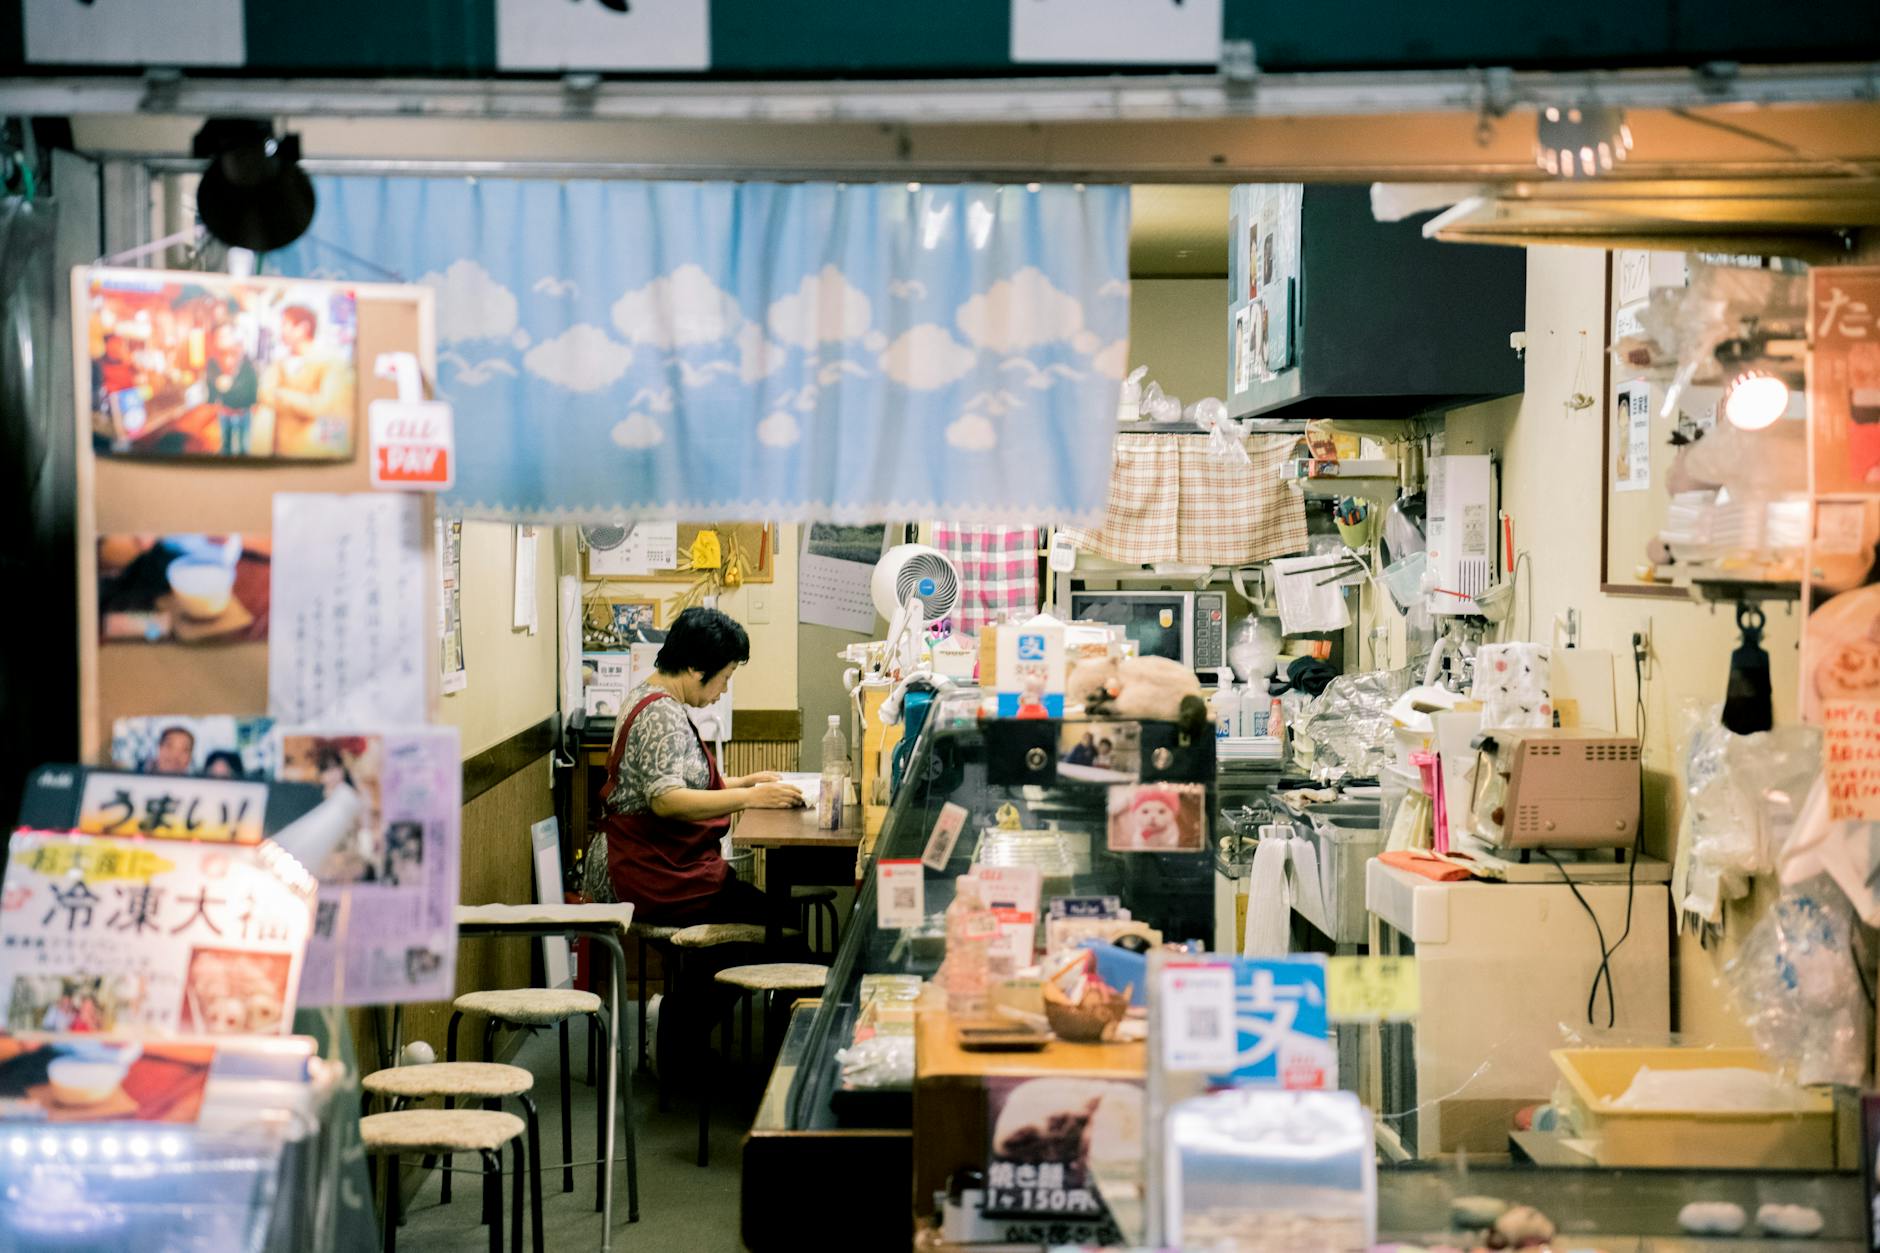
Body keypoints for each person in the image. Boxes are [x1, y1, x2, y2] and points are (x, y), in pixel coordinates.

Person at [582, 606, 802, 925]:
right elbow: (666, 799)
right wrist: (750, 798)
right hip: (645, 869)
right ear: (697, 668)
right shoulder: (661, 713)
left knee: (768, 912)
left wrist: (744, 782)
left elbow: (681, 781)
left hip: (651, 859)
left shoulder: (651, 695)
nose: (724, 690)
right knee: (778, 922)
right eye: (725, 678)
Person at [259, 304, 354, 457]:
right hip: (281, 453)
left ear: (303, 328)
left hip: (314, 454)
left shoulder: (330, 362)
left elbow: (321, 407)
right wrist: (304, 402)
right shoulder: (279, 363)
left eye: (285, 325)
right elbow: (264, 395)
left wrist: (281, 393)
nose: (281, 331)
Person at [205, 326, 259, 456]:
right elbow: (211, 384)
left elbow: (252, 380)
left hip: (243, 411)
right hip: (225, 410)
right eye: (220, 336)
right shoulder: (213, 361)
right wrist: (212, 403)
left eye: (226, 335)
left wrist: (254, 401)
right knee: (225, 446)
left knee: (244, 446)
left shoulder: (245, 359)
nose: (223, 339)